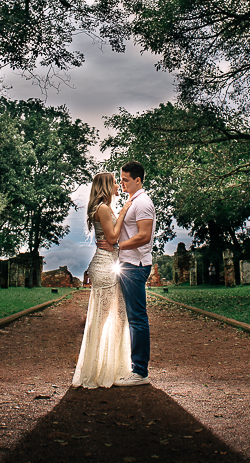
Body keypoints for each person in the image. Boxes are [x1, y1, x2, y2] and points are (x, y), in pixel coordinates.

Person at [71, 171, 133, 388]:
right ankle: (96, 369)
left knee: (116, 317)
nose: (118, 185)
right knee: (104, 318)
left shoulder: (104, 208)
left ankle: (110, 367)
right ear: (106, 186)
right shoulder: (104, 208)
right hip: (106, 267)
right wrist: (125, 210)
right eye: (116, 182)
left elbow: (113, 240)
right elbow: (113, 237)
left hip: (109, 263)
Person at [97, 160, 155, 387]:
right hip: (127, 264)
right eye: (120, 180)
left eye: (125, 180)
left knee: (137, 318)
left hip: (135, 265)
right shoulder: (132, 201)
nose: (120, 184)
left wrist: (118, 247)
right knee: (131, 317)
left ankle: (140, 372)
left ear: (138, 180)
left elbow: (144, 236)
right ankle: (133, 367)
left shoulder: (143, 203)